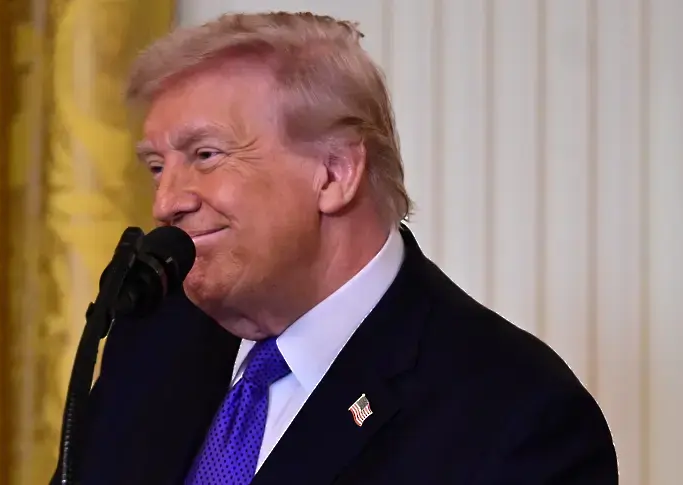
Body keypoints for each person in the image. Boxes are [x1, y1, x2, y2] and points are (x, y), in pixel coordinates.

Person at [78, 11, 618, 484]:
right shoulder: (151, 338)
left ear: (335, 173)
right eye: (157, 167)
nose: (166, 203)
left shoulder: (518, 416)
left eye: (205, 155)